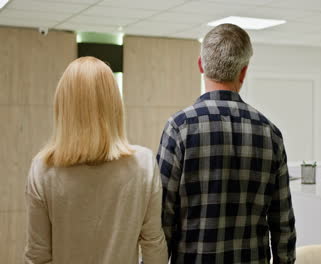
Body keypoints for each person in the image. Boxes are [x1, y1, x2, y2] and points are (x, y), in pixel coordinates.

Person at [157, 24, 296, 264]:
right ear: (243, 71)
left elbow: (162, 218)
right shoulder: (270, 133)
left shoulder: (179, 128)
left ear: (201, 65)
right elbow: (282, 222)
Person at [24, 57, 167, 264]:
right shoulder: (143, 165)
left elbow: (37, 256)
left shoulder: (43, 169)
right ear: (115, 105)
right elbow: (154, 246)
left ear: (62, 106)